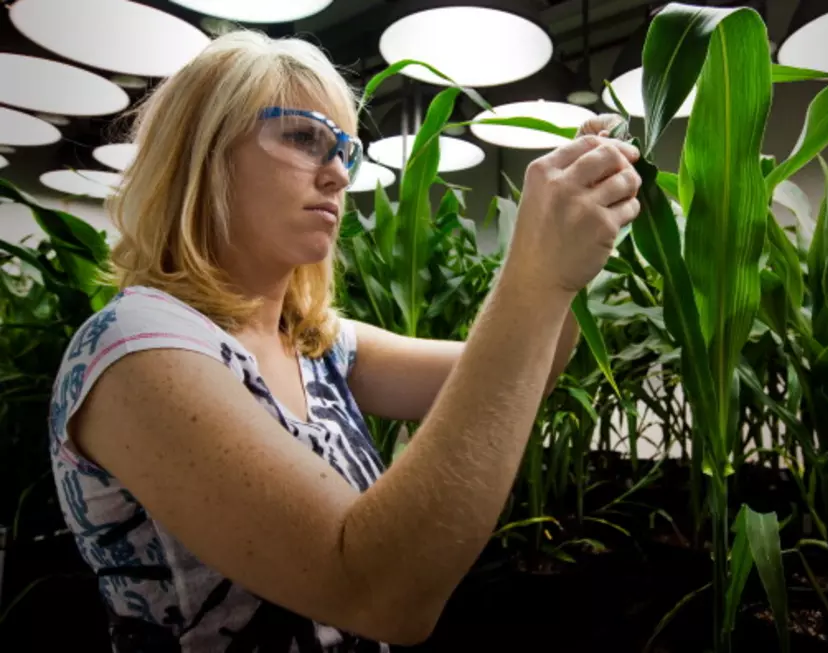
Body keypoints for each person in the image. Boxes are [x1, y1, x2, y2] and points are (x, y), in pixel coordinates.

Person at [48, 30, 642, 653]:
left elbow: (531, 367)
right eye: (304, 136)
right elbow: (379, 593)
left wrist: (574, 259)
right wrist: (534, 272)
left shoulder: (316, 344)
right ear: (202, 152)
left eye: (344, 150)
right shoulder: (136, 350)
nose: (337, 174)